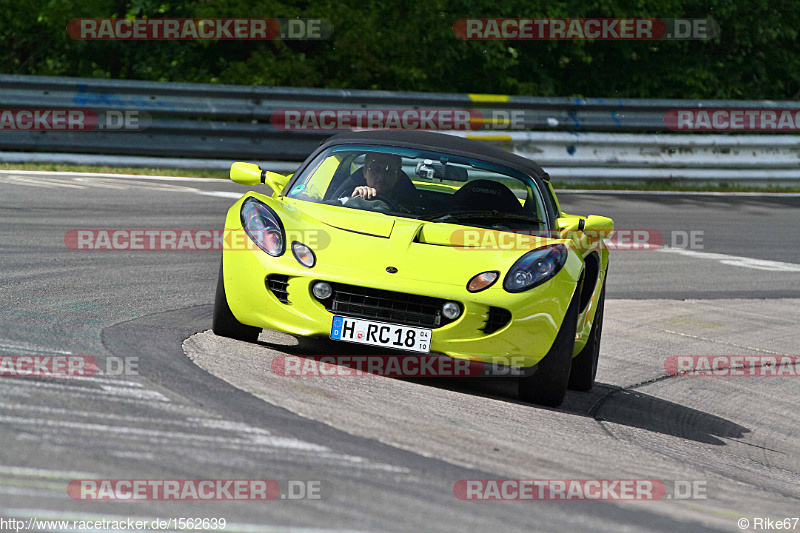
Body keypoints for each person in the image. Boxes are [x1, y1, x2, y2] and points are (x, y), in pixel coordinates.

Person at [330, 152, 418, 207]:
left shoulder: (409, 207)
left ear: (398, 175)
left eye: (389, 171)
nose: (381, 176)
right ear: (364, 172)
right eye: (375, 169)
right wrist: (354, 199)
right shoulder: (347, 197)